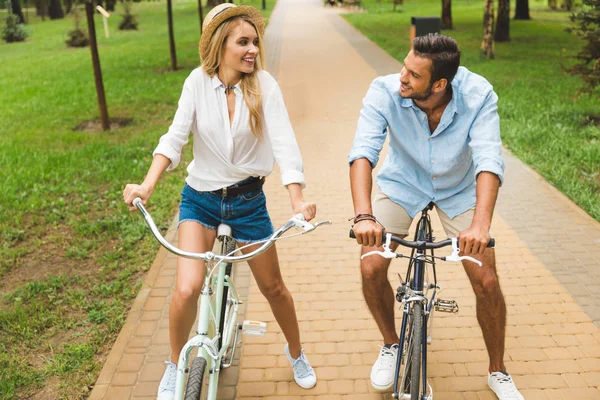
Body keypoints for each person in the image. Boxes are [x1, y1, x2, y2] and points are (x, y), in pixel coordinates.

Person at [123, 4, 317, 399]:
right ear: (219, 45)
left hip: (248, 203)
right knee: (186, 288)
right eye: (242, 42)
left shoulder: (264, 86)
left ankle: (296, 353)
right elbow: (174, 138)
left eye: (255, 42)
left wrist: (297, 200)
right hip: (201, 201)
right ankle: (176, 364)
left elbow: (284, 144)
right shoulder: (197, 83)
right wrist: (147, 185)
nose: (252, 50)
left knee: (274, 287)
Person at [348, 34, 524, 400]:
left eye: (413, 74)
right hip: (402, 182)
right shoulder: (384, 91)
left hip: (458, 188)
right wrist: (364, 215)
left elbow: (489, 158)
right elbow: (363, 152)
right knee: (370, 266)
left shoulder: (478, 94)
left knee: (487, 280)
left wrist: (480, 225)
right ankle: (390, 344)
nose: (402, 77)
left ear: (440, 83)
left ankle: (498, 369)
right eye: (404, 66)